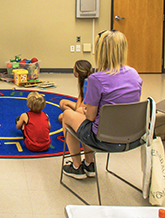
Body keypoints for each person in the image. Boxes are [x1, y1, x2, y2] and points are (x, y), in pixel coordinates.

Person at [61, 30, 143, 179]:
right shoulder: (134, 74)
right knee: (80, 115)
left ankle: (77, 166)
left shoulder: (97, 79)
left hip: (104, 138)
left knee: (68, 116)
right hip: (131, 136)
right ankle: (89, 165)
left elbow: (91, 117)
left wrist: (83, 112)